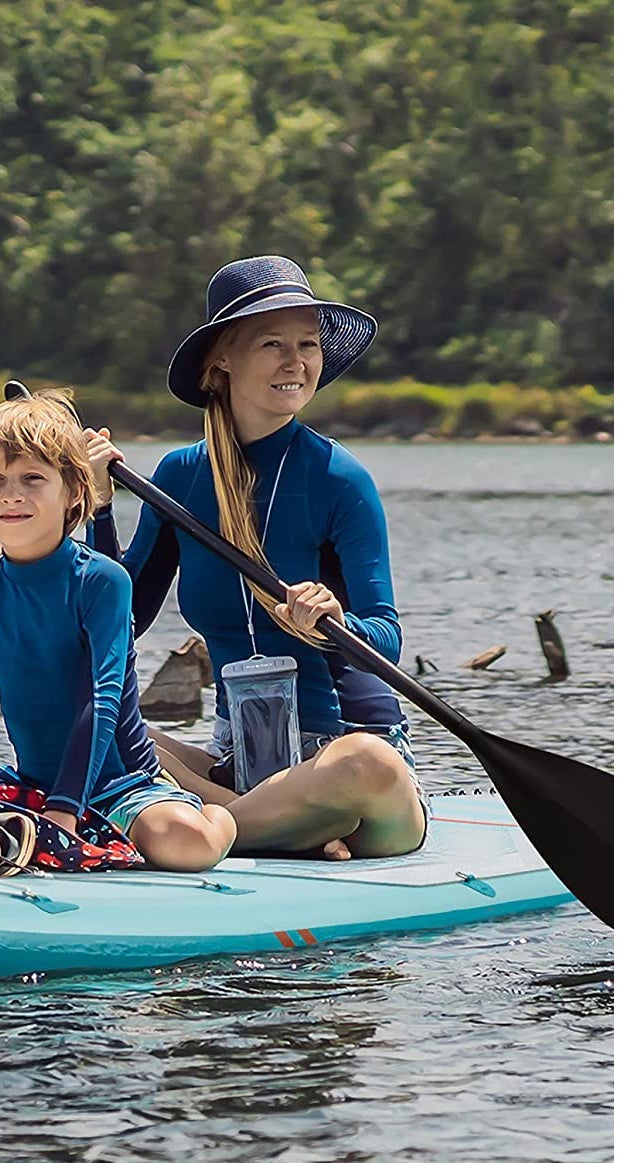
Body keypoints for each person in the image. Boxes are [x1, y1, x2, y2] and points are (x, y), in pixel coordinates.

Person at [84, 255, 426, 860]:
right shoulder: (179, 477)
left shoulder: (339, 478)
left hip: (350, 766)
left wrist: (335, 626)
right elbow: (119, 621)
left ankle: (211, 828)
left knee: (366, 762)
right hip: (238, 761)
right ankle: (268, 829)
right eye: (273, 343)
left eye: (308, 344)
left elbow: (386, 638)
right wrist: (101, 509)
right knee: (85, 719)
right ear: (222, 359)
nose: (296, 362)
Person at [0, 392, 236, 873]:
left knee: (187, 844)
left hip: (120, 784)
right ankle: (2, 830)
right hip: (31, 789)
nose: (11, 495)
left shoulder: (102, 580)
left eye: (32, 479)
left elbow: (100, 700)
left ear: (74, 494)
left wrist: (65, 813)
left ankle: (223, 814)